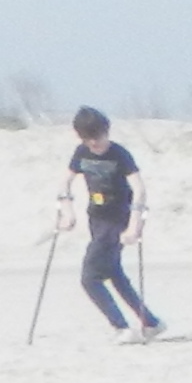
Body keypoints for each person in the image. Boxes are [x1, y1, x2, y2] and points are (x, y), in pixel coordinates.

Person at [67, 108, 162, 342]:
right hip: (96, 219)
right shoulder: (81, 152)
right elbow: (65, 182)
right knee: (113, 273)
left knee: (89, 278)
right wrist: (67, 212)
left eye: (97, 137)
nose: (93, 143)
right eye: (87, 139)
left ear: (106, 131)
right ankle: (151, 322)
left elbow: (139, 190)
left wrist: (134, 226)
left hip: (117, 220)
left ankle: (122, 327)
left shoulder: (120, 154)